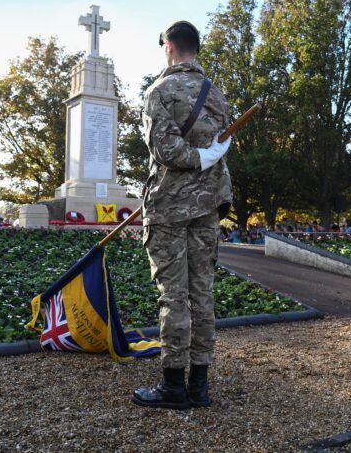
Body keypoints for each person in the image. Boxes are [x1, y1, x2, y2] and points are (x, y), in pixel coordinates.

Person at [132, 21, 232, 410]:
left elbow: (165, 151)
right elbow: (218, 146)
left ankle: (174, 385)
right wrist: (207, 157)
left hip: (171, 205)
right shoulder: (216, 95)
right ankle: (201, 385)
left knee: (174, 296)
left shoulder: (159, 91)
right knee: (202, 293)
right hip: (208, 204)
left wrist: (195, 157)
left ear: (170, 45)